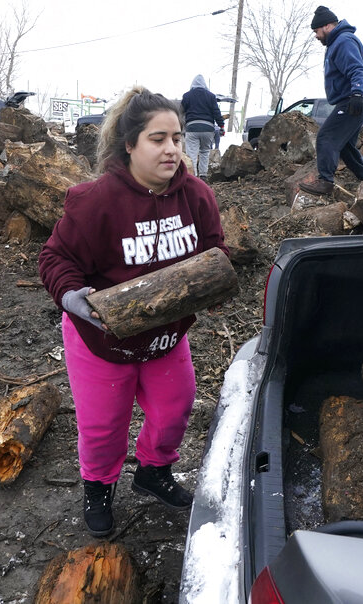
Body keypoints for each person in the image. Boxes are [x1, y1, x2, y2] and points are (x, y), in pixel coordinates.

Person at [38, 86, 229, 538]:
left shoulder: (197, 196)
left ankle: (153, 473)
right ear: (130, 145)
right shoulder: (96, 200)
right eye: (157, 139)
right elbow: (55, 259)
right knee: (104, 426)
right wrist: (71, 297)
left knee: (175, 410)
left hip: (165, 337)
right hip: (101, 339)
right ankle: (98, 487)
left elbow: (214, 251)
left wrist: (213, 285)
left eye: (178, 139)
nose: (172, 149)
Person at [298, 6, 363, 196]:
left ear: (326, 26)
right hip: (355, 98)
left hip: (354, 99)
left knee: (326, 137)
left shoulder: (343, 41)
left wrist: (357, 93)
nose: (316, 36)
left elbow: (357, 69)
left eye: (316, 31)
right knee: (345, 145)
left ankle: (325, 182)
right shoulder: (337, 42)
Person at [180, 75, 224, 179]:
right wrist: (221, 125)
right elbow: (216, 112)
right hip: (208, 129)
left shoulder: (187, 96)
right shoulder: (211, 96)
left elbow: (181, 112)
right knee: (205, 151)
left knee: (192, 153)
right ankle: (203, 175)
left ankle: (192, 176)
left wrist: (181, 126)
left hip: (192, 128)